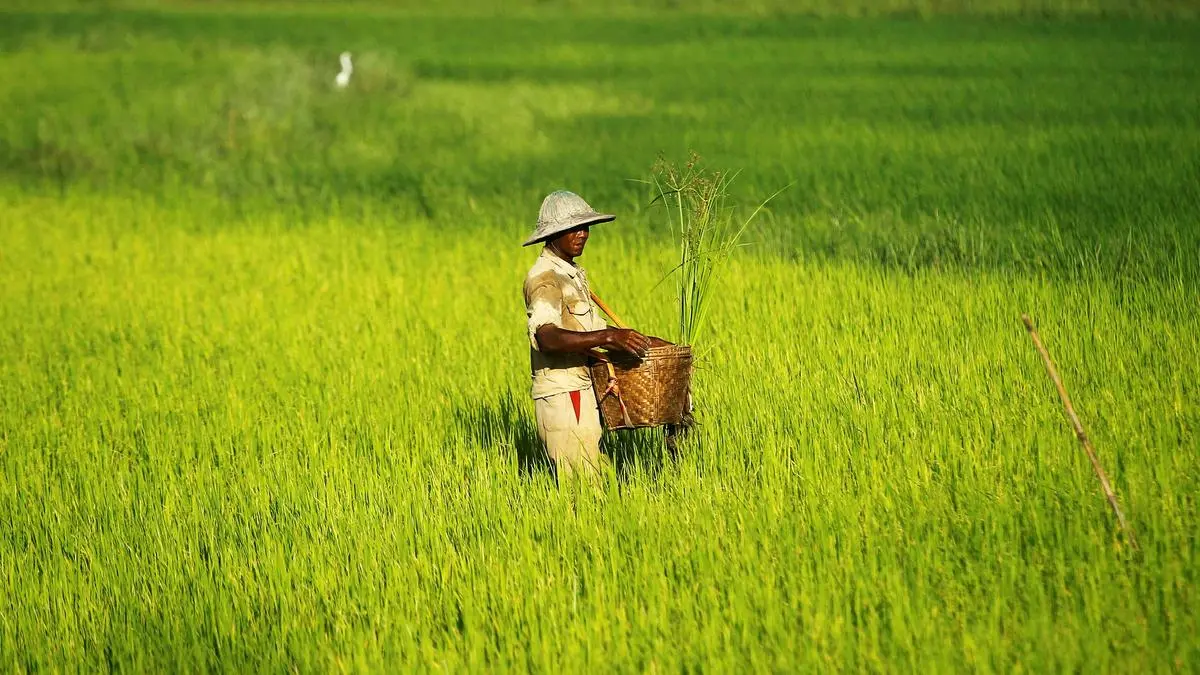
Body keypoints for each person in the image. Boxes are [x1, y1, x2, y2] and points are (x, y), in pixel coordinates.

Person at [522, 190, 651, 480]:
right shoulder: (544, 278)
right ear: (553, 234)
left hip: (583, 390)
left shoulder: (571, 273)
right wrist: (608, 338)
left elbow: (590, 331)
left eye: (585, 227)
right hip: (565, 397)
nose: (582, 234)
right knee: (582, 487)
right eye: (573, 228)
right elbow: (546, 337)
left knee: (596, 480)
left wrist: (640, 342)